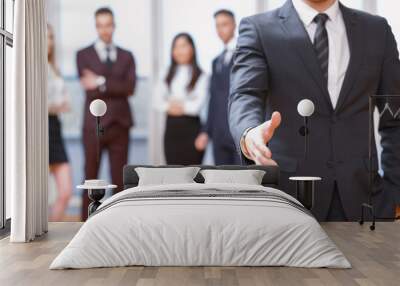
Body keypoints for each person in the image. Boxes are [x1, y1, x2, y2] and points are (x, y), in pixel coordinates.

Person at [229, 0, 400, 221]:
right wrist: (249, 133)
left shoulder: (377, 30)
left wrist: (396, 195)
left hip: (367, 200)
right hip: (289, 199)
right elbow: (245, 94)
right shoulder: (259, 29)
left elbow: (394, 118)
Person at [77, 7, 136, 221]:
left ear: (114, 25)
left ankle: (117, 223)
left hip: (121, 125)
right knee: (90, 177)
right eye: (100, 25)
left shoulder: (127, 56)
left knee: (119, 180)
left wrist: (100, 81)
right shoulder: (83, 55)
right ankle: (85, 225)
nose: (105, 30)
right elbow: (89, 88)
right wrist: (112, 86)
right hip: (94, 125)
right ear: (96, 27)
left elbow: (130, 87)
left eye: (108, 25)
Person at [154, 33, 208, 165]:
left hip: (192, 130)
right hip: (171, 131)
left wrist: (171, 102)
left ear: (192, 49)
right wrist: (184, 103)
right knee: (173, 173)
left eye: (183, 46)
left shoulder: (202, 75)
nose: (179, 51)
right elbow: (156, 102)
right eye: (176, 47)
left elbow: (195, 107)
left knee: (193, 175)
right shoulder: (166, 73)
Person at [195, 9, 241, 165]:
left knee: (242, 182)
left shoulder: (245, 54)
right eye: (217, 26)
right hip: (218, 133)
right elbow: (213, 98)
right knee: (221, 182)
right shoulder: (216, 61)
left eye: (225, 24)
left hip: (238, 130)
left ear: (234, 25)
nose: (221, 29)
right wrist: (206, 131)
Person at [47, 24, 73, 221]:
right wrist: (56, 106)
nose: (49, 42)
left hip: (55, 128)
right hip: (40, 129)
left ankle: (49, 230)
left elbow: (65, 101)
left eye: (51, 37)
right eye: (45, 37)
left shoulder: (53, 68)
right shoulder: (32, 69)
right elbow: (33, 104)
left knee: (65, 192)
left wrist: (60, 105)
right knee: (37, 195)